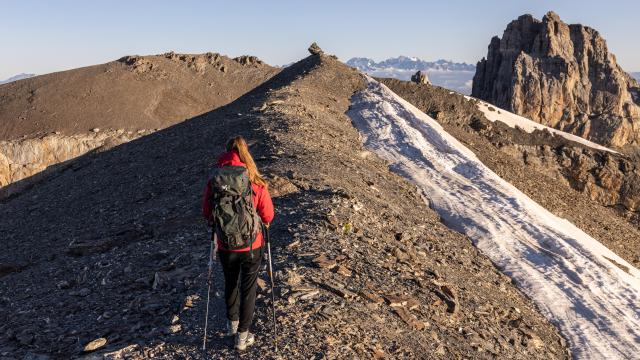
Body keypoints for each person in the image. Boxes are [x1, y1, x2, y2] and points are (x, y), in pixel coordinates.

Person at [202, 136, 274, 351]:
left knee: (230, 283)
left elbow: (206, 212)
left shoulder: (215, 181)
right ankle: (242, 336)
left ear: (226, 153)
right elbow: (268, 215)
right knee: (248, 288)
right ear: (246, 155)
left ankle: (232, 326)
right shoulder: (254, 181)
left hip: (225, 244)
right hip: (252, 245)